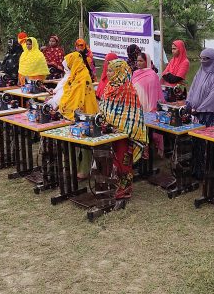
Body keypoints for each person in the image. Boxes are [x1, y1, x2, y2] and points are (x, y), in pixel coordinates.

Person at [100, 59, 147, 201]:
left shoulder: (128, 89)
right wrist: (105, 123)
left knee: (123, 161)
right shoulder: (108, 87)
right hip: (109, 131)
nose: (108, 73)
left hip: (124, 133)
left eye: (111, 71)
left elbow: (132, 114)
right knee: (111, 159)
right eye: (108, 70)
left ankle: (125, 188)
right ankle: (115, 185)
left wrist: (119, 127)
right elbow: (104, 108)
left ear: (119, 72)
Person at [58, 52, 100, 179]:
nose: (66, 69)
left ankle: (84, 170)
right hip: (75, 114)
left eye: (68, 66)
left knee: (85, 144)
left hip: (86, 113)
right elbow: (69, 94)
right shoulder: (75, 76)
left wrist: (67, 110)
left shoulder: (83, 76)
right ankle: (74, 168)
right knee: (73, 143)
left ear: (73, 64)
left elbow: (78, 98)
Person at [132, 52, 164, 157]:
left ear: (147, 62)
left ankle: (148, 154)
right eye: (137, 61)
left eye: (141, 61)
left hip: (148, 106)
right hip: (137, 104)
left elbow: (154, 95)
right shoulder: (135, 73)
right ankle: (139, 152)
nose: (138, 63)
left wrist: (151, 109)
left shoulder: (152, 75)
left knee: (148, 131)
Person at [186, 48, 214, 126]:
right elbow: (192, 90)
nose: (202, 61)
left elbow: (213, 98)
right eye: (201, 58)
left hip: (210, 115)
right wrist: (189, 103)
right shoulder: (199, 74)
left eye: (206, 59)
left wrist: (199, 110)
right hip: (195, 113)